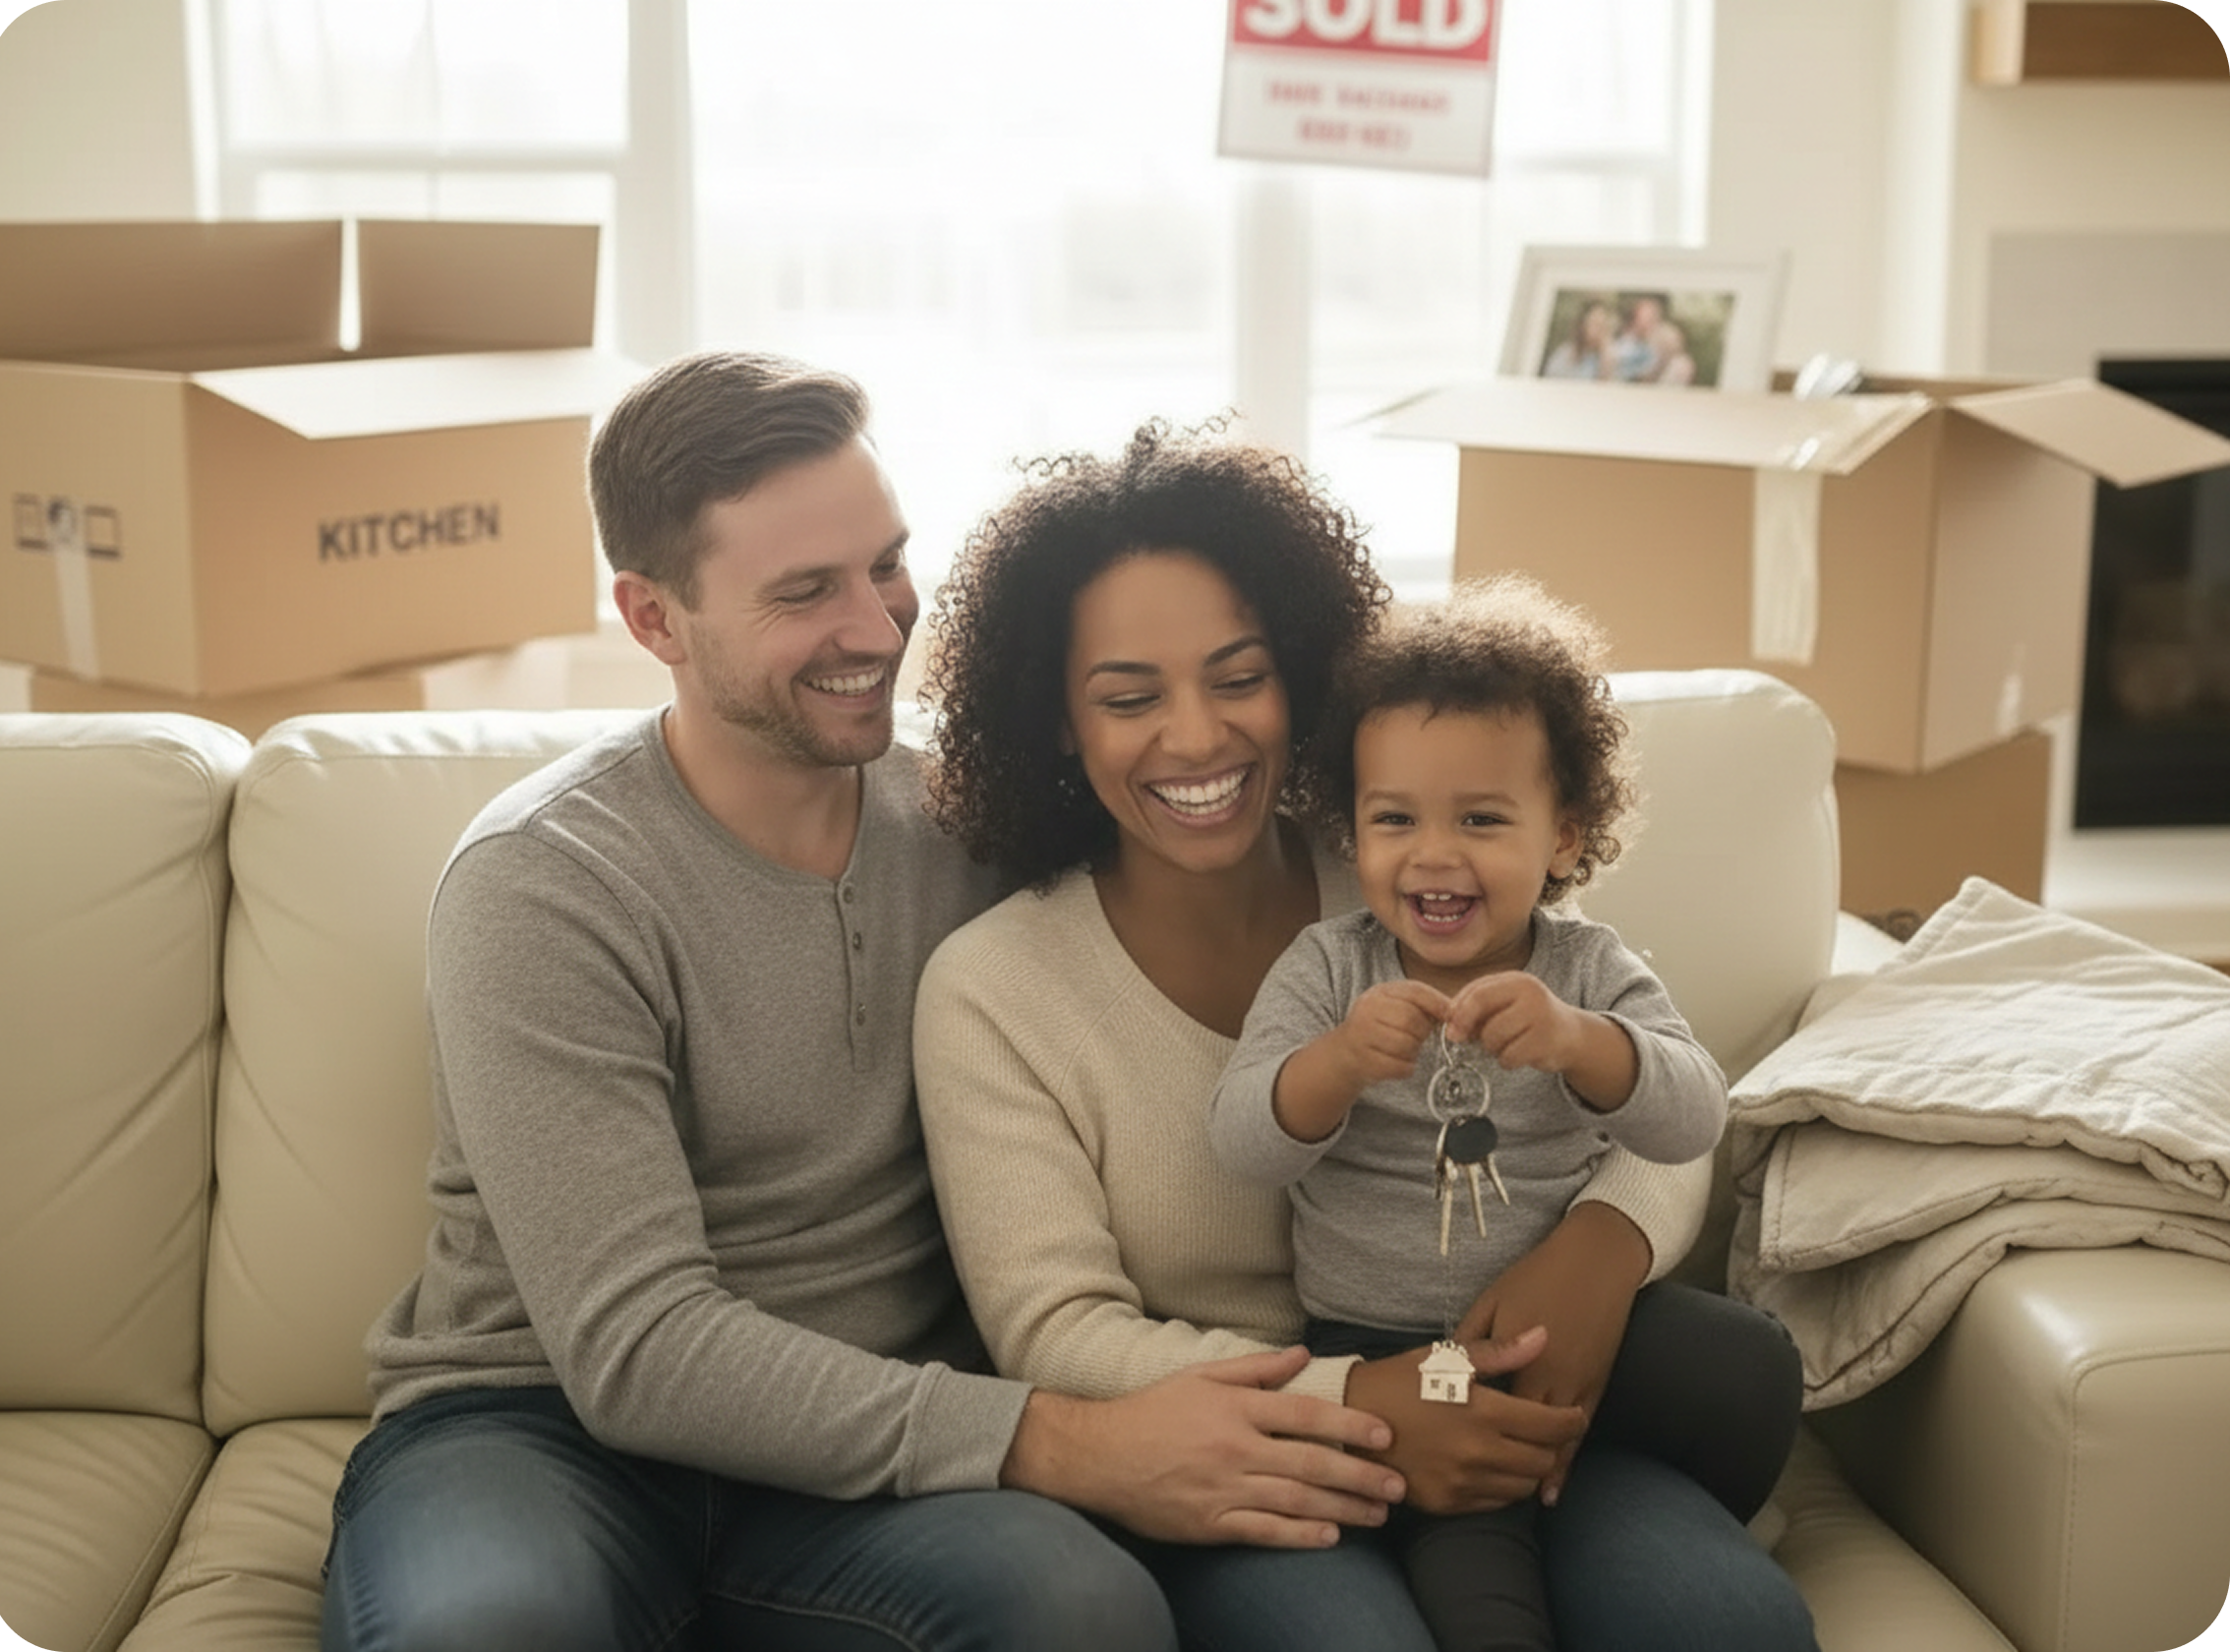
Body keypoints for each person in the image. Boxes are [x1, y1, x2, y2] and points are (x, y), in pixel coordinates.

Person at [317, 353, 1414, 1652]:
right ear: (654, 619)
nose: (881, 626)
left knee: (1081, 1613)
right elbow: (638, 1348)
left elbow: (1209, 793)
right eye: (806, 593)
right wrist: (1064, 1441)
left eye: (886, 563)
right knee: (488, 1634)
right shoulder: (546, 885)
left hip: (882, 1452)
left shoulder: (980, 819)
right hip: (540, 1432)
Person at [913, 421, 1819, 1652]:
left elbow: (1645, 1089)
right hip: (1262, 1448)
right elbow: (1057, 1336)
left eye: (1239, 677)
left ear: (1299, 672)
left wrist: (1600, 1252)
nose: (1195, 737)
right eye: (1130, 698)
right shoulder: (998, 989)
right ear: (1060, 723)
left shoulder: (1418, 851)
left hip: (1511, 1392)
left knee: (1729, 1627)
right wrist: (1368, 1397)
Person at [1209, 575, 1793, 1650]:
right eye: (1395, 820)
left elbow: (1695, 1114)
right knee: (1479, 1558)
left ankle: (1605, 1481)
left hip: (1570, 1339)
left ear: (1563, 838)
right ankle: (1498, 1529)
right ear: (1355, 832)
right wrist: (1335, 1065)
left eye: (1481, 818)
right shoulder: (1330, 969)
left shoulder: (1590, 966)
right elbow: (1241, 1142)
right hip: (1401, 1349)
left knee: (1747, 1362)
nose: (1434, 854)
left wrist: (1583, 1045)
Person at [1539, 300, 1615, 380]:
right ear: (1582, 325)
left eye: (1603, 325)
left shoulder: (1607, 357)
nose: (1600, 330)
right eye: (1595, 324)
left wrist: (1606, 360)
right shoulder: (1564, 354)